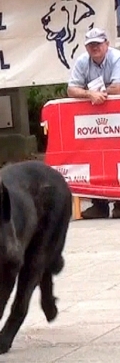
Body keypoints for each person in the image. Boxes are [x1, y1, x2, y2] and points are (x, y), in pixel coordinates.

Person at [67, 27, 120, 219]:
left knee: (118, 156)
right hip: (94, 122)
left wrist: (100, 94)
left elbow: (118, 87)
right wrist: (90, 94)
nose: (95, 48)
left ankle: (119, 203)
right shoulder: (82, 61)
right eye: (91, 45)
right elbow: (71, 89)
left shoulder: (116, 57)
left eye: (98, 43)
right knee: (95, 157)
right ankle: (99, 204)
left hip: (117, 119)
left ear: (107, 43)